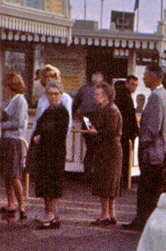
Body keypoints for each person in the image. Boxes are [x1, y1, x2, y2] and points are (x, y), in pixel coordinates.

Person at [123, 63, 166, 231]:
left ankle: (142, 221)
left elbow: (153, 127)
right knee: (154, 191)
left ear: (154, 77)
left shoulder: (156, 97)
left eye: (145, 75)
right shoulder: (165, 96)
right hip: (161, 152)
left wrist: (144, 143)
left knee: (147, 190)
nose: (143, 78)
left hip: (154, 153)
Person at [30, 82, 69, 229]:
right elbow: (39, 127)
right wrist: (37, 136)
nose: (53, 96)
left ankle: (51, 214)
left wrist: (42, 136)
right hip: (44, 153)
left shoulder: (62, 112)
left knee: (53, 184)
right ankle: (51, 214)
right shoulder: (47, 111)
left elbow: (60, 134)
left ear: (60, 95)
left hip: (55, 153)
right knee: (45, 184)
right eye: (50, 93)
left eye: (56, 93)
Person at [84, 82, 123, 226]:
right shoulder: (108, 109)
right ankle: (111, 213)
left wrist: (96, 132)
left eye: (98, 94)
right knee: (110, 181)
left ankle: (105, 214)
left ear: (106, 96)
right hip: (110, 149)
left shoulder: (110, 110)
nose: (95, 96)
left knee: (106, 181)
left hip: (109, 150)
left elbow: (111, 131)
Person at [1, 72, 28, 221]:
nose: (4, 88)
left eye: (5, 85)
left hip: (14, 139)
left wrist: (2, 124)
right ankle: (11, 203)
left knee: (14, 174)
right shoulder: (9, 101)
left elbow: (18, 123)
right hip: (5, 139)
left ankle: (22, 205)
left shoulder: (20, 101)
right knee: (7, 174)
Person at [72, 71, 104, 178]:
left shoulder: (83, 89)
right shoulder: (102, 91)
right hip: (98, 121)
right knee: (97, 149)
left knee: (90, 149)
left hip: (86, 121)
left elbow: (75, 104)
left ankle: (88, 173)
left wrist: (74, 115)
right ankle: (95, 173)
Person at [114, 75, 140, 190]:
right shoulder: (125, 97)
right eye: (132, 84)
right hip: (126, 134)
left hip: (123, 133)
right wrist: (135, 131)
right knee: (125, 158)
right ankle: (123, 181)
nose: (134, 87)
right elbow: (129, 117)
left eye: (136, 85)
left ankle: (122, 181)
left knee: (123, 158)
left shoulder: (122, 95)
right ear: (127, 83)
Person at [34, 65, 72, 133]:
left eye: (52, 77)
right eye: (46, 77)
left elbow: (68, 122)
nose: (49, 79)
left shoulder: (65, 98)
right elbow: (37, 119)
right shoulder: (42, 98)